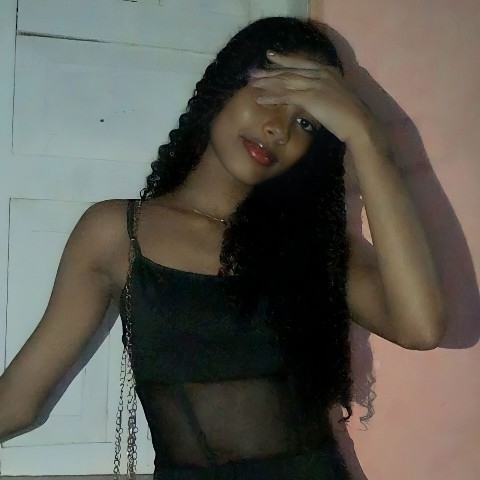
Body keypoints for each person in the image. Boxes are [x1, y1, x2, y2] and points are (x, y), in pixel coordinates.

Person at [0, 16, 445, 480]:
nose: (279, 129)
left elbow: (421, 328)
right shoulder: (116, 233)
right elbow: (18, 402)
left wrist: (368, 139)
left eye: (306, 122)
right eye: (269, 96)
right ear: (224, 87)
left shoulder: (313, 247)